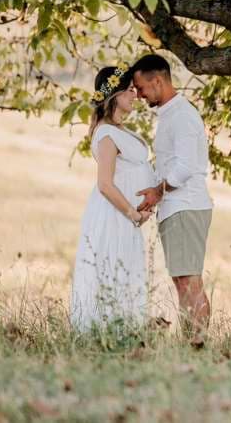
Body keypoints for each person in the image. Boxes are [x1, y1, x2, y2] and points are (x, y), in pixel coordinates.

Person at [131, 54, 214, 343]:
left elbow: (184, 169)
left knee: (189, 282)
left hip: (186, 206)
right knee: (182, 281)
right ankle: (192, 343)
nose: (139, 95)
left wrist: (157, 192)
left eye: (141, 88)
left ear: (158, 80)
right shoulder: (169, 115)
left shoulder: (182, 116)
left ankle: (197, 346)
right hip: (175, 208)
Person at [70, 63, 155, 331]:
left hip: (126, 216)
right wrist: (133, 213)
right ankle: (108, 334)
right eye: (129, 90)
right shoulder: (106, 133)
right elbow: (105, 184)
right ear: (114, 96)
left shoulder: (118, 129)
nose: (135, 95)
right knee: (112, 272)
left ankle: (125, 334)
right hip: (115, 215)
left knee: (125, 273)